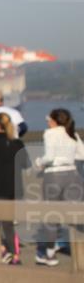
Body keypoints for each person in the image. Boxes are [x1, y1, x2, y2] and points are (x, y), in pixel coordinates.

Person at [33, 108, 84, 266]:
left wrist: (39, 162)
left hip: (54, 176)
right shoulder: (72, 133)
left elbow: (49, 157)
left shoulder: (50, 133)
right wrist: (67, 158)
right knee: (76, 215)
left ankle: (50, 256)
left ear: (55, 120)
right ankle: (79, 253)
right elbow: (82, 155)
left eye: (48, 119)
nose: (47, 121)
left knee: (51, 216)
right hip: (73, 176)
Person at [0, 111, 30, 265]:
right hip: (15, 189)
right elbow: (26, 164)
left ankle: (5, 249)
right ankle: (12, 252)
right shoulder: (18, 144)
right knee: (8, 222)